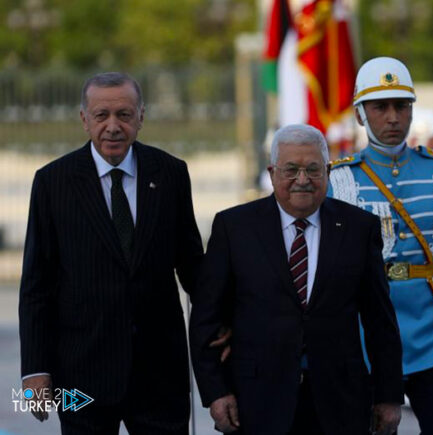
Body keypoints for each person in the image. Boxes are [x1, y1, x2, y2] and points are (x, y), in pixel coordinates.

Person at [18, 72, 204, 433]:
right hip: (81, 371)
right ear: (84, 119)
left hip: (159, 372)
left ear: (141, 117)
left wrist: (221, 321)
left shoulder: (171, 174)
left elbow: (192, 264)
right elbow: (37, 284)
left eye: (124, 114)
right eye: (102, 115)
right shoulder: (53, 182)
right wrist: (36, 370)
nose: (113, 126)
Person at [189, 124, 403, 435]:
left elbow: (380, 321)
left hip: (340, 403)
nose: (302, 180)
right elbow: (206, 319)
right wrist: (216, 393)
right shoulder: (233, 228)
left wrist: (389, 396)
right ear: (272, 172)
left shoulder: (359, 228)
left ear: (327, 171)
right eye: (291, 169)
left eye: (312, 169)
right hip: (257, 402)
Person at [328, 57, 433, 434]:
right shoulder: (340, 179)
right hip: (365, 337)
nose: (392, 117)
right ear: (359, 114)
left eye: (402, 106)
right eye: (380, 107)